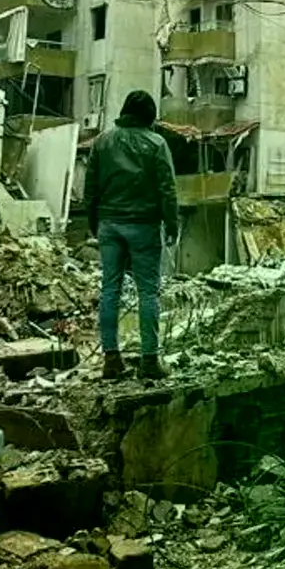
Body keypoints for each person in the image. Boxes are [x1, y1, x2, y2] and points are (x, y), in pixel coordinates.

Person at [84, 89, 178, 380]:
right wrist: (171, 224)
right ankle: (150, 361)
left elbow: (90, 187)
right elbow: (167, 188)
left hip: (109, 224)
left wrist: (93, 222)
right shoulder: (156, 143)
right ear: (149, 118)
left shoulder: (102, 141)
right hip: (143, 226)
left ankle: (111, 360)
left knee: (109, 289)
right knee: (147, 291)